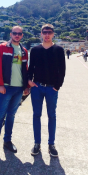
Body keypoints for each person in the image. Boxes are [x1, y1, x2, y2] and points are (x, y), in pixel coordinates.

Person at [0, 26, 29, 163]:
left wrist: (26, 86)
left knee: (11, 115)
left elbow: (25, 69)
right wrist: (0, 84)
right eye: (14, 33)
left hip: (19, 88)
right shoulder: (2, 48)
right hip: (6, 88)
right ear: (11, 34)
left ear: (22, 35)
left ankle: (7, 141)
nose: (17, 35)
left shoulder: (24, 51)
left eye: (19, 34)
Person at [28, 24, 66, 157]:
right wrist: (29, 81)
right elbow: (31, 67)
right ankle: (37, 144)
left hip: (51, 88)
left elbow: (62, 70)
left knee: (52, 116)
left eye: (49, 32)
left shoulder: (59, 50)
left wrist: (57, 86)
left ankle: (51, 144)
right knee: (36, 115)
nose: (47, 34)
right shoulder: (35, 50)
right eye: (45, 32)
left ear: (53, 34)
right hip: (37, 87)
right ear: (41, 34)